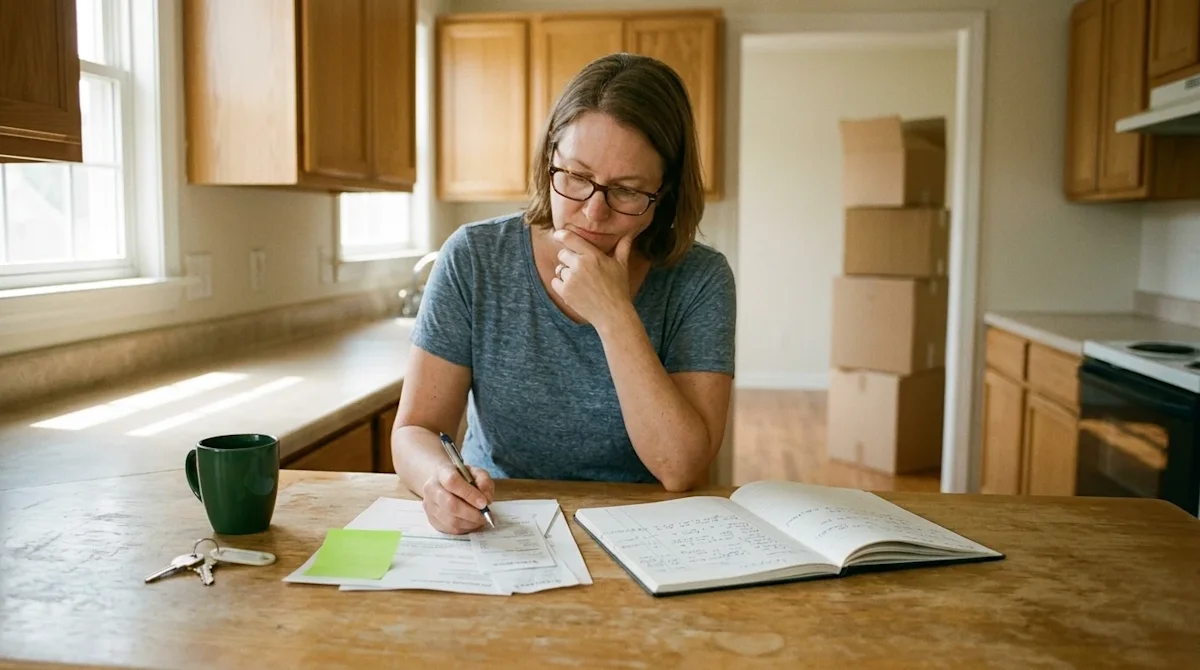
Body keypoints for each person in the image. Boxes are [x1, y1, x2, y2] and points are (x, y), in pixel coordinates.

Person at [392, 53, 737, 534]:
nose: (593, 213)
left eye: (627, 191)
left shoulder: (700, 279)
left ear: (667, 193)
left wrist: (614, 315)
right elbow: (416, 430)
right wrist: (440, 480)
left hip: (645, 531)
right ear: (549, 160)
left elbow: (680, 468)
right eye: (575, 177)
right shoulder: (474, 257)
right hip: (503, 524)